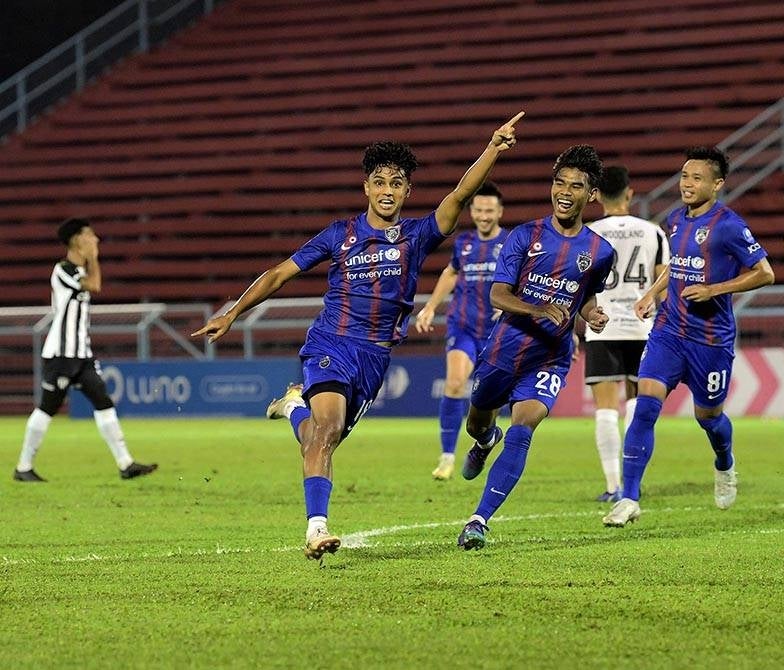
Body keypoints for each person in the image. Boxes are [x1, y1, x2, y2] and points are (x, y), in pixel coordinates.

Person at [192, 113, 524, 560]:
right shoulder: (340, 234)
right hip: (331, 343)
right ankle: (316, 529)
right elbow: (280, 273)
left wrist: (492, 148)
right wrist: (233, 312)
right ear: (366, 187)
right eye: (379, 182)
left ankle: (292, 406)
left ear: (407, 191)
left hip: (374, 358)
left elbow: (460, 195)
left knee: (320, 437)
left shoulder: (417, 235)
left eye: (396, 184)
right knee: (325, 432)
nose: (387, 191)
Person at [602, 146, 774, 527]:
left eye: (697, 178)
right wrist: (651, 293)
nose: (687, 184)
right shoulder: (676, 219)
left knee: (708, 417)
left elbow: (765, 272)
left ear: (717, 184)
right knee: (645, 405)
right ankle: (629, 497)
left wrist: (715, 290)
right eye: (684, 176)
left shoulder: (729, 225)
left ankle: (724, 461)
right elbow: (677, 267)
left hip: (710, 340)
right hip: (669, 331)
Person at [456, 145, 615, 550]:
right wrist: (537, 308)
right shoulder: (525, 236)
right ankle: (484, 441)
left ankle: (478, 520)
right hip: (504, 349)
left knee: (523, 429)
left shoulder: (601, 252)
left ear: (592, 194)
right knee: (477, 423)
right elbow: (498, 294)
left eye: (575, 186)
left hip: (550, 356)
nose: (564, 192)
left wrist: (591, 315)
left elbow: (585, 296)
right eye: (559, 183)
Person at [13, 218, 158, 482]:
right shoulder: (63, 270)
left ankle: (125, 463)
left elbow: (92, 283)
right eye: (90, 235)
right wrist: (93, 259)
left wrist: (91, 260)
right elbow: (94, 285)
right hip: (61, 355)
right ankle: (23, 467)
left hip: (82, 354)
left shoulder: (79, 271)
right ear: (77, 240)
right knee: (47, 407)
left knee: (103, 402)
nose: (96, 240)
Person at [414, 182, 509, 480]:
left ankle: (485, 442)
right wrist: (431, 307)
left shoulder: (510, 244)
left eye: (489, 211)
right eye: (478, 210)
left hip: (496, 332)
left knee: (488, 401)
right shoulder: (464, 243)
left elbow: (522, 280)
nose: (483, 216)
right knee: (454, 384)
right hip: (463, 325)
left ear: (500, 212)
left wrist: (510, 305)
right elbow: (451, 272)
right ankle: (447, 458)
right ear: (472, 211)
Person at [584, 166, 667, 501]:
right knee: (638, 404)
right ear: (629, 193)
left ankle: (612, 485)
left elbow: (580, 286)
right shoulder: (653, 232)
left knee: (605, 408)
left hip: (601, 326)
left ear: (597, 195)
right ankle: (633, 483)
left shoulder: (588, 233)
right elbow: (664, 284)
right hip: (642, 326)